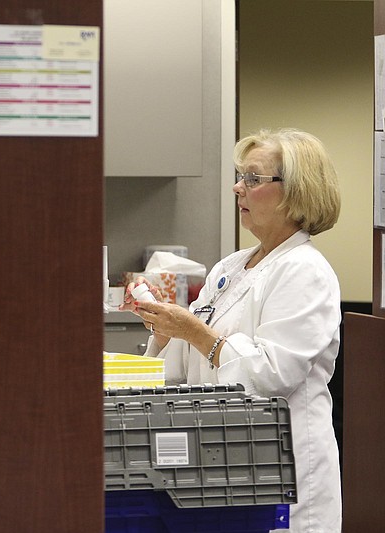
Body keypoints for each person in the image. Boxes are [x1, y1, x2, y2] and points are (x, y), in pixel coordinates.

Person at [121, 128, 342, 532]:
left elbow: (271, 377)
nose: (238, 188)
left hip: (283, 469)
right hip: (226, 469)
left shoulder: (305, 271)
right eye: (241, 176)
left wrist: (193, 331)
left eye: (254, 179)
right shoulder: (231, 268)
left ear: (296, 192)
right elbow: (187, 368)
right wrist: (166, 330)